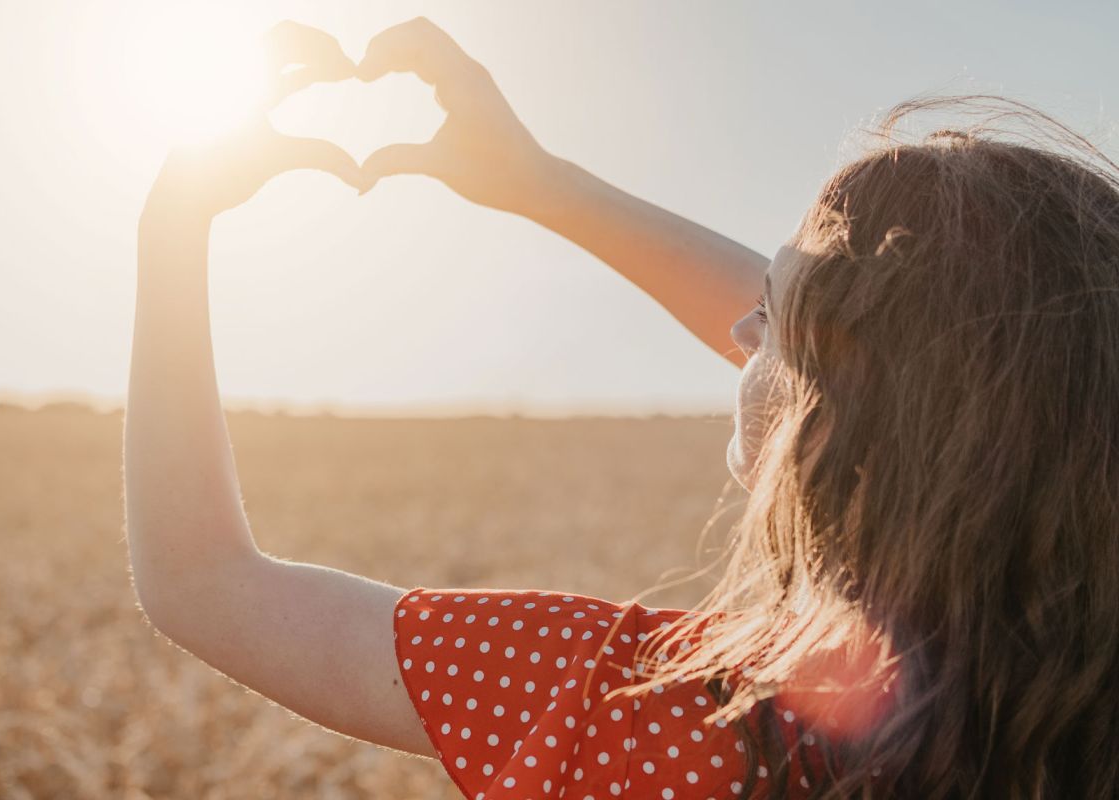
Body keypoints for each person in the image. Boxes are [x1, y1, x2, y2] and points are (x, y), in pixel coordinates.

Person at [124, 17, 1119, 799]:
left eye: (767, 318)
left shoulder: (649, 708)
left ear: (841, 426)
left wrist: (173, 220)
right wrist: (535, 182)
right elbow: (918, 366)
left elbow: (203, 581)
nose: (736, 330)